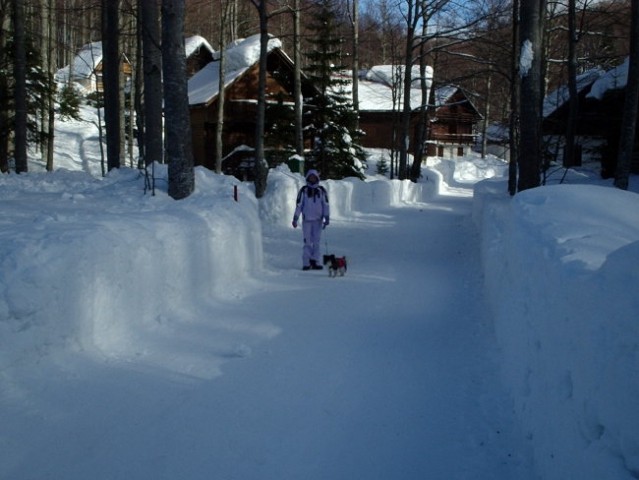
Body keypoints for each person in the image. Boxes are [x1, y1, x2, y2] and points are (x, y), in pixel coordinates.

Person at [292, 169, 330, 270]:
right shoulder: (303, 191)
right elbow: (299, 205)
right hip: (307, 221)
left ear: (317, 178)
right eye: (310, 177)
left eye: (314, 177)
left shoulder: (321, 191)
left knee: (316, 242)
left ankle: (315, 261)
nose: (312, 179)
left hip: (318, 220)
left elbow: (325, 205)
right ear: (308, 178)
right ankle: (306, 262)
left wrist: (327, 217)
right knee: (307, 242)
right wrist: (295, 218)